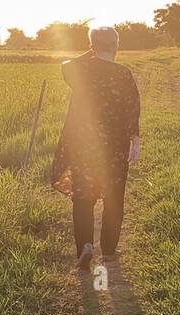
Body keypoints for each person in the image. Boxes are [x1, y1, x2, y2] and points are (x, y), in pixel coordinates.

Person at [50, 25, 141, 268]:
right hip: (115, 144)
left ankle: (85, 246)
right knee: (114, 196)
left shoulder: (78, 70)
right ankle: (109, 251)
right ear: (116, 46)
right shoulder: (123, 74)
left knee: (83, 196)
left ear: (91, 46)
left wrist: (89, 52)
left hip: (82, 142)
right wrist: (135, 139)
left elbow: (65, 64)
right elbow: (132, 108)